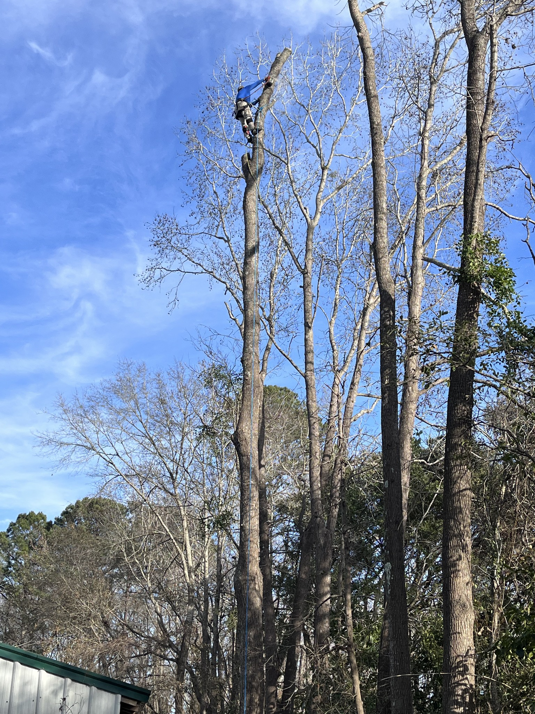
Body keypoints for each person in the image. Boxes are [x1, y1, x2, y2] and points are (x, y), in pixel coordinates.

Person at [234, 76, 272, 142]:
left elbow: (248, 105)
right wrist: (264, 79)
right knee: (248, 116)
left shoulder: (238, 96)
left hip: (238, 110)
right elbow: (254, 84)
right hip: (243, 105)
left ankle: (248, 137)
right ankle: (253, 130)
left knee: (244, 124)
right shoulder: (245, 89)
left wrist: (257, 101)